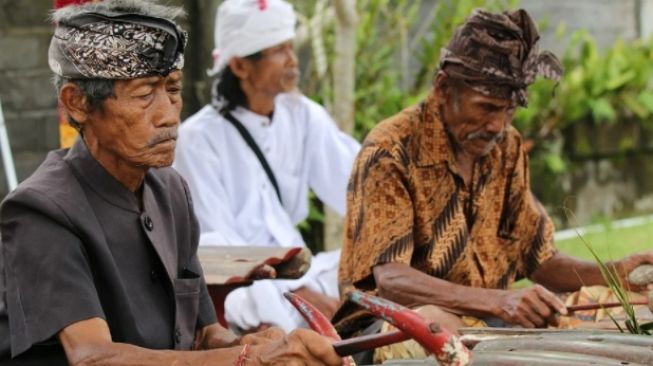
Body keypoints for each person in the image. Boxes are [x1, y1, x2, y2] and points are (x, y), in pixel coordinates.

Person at [0, 1, 342, 365]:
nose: (168, 115)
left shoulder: (171, 191)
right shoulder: (41, 211)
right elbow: (93, 357)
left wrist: (257, 345)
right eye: (145, 94)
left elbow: (204, 334)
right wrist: (250, 359)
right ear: (79, 103)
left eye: (173, 90)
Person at [334, 8, 653, 362]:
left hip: (488, 321)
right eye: (487, 107)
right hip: (389, 326)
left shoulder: (507, 147)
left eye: (509, 111)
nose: (498, 125)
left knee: (618, 312)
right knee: (437, 325)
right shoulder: (391, 149)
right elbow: (392, 281)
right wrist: (499, 300)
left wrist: (615, 273)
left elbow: (539, 261)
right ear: (443, 89)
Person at [173, 0, 360, 332]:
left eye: (290, 46)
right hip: (242, 289)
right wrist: (293, 291)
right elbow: (219, 248)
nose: (292, 59)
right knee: (249, 297)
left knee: (366, 267)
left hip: (300, 271)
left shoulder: (303, 117)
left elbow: (359, 188)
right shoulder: (197, 140)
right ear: (242, 67)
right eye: (279, 51)